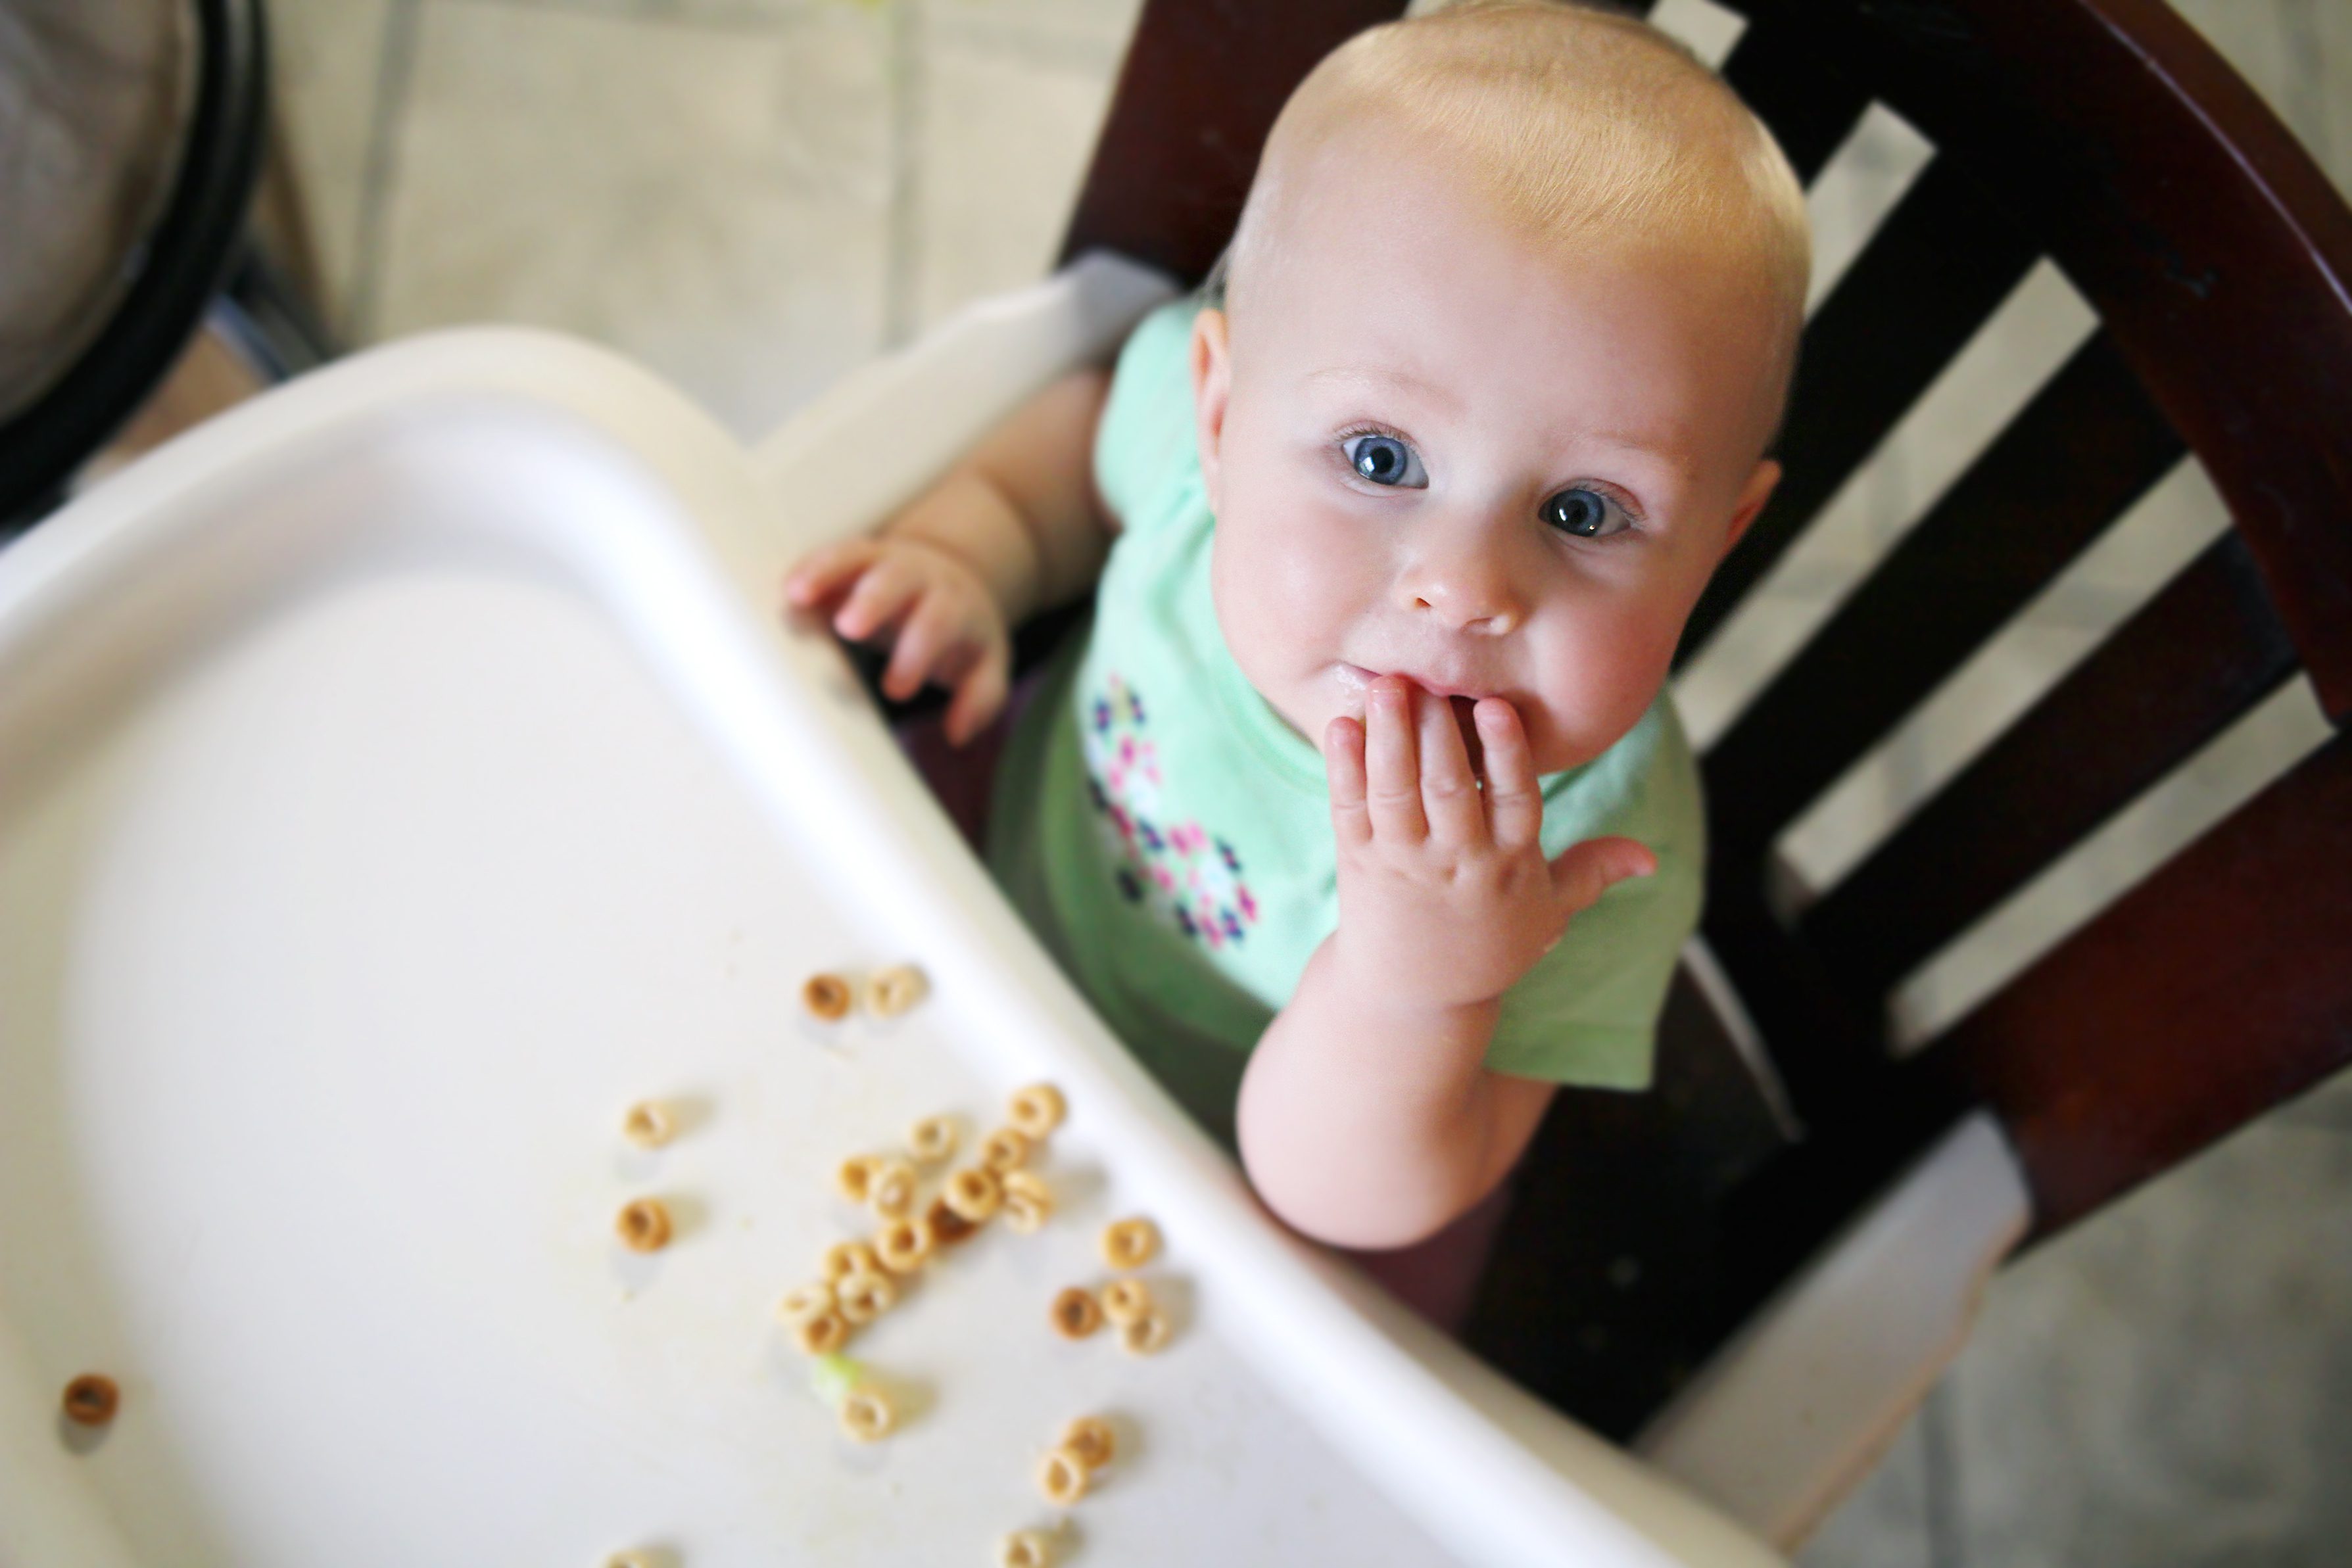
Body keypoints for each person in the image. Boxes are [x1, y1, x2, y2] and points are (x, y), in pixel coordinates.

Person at [782, 0, 1809, 1328]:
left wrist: (1417, 980)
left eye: (1586, 511)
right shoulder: (1195, 473)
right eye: (1381, 459)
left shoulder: (1601, 852)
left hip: (1231, 1229)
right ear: (1218, 413)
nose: (1465, 586)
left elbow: (1356, 1203)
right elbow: (1080, 455)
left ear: (1716, 540)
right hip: (980, 904)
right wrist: (974, 553)